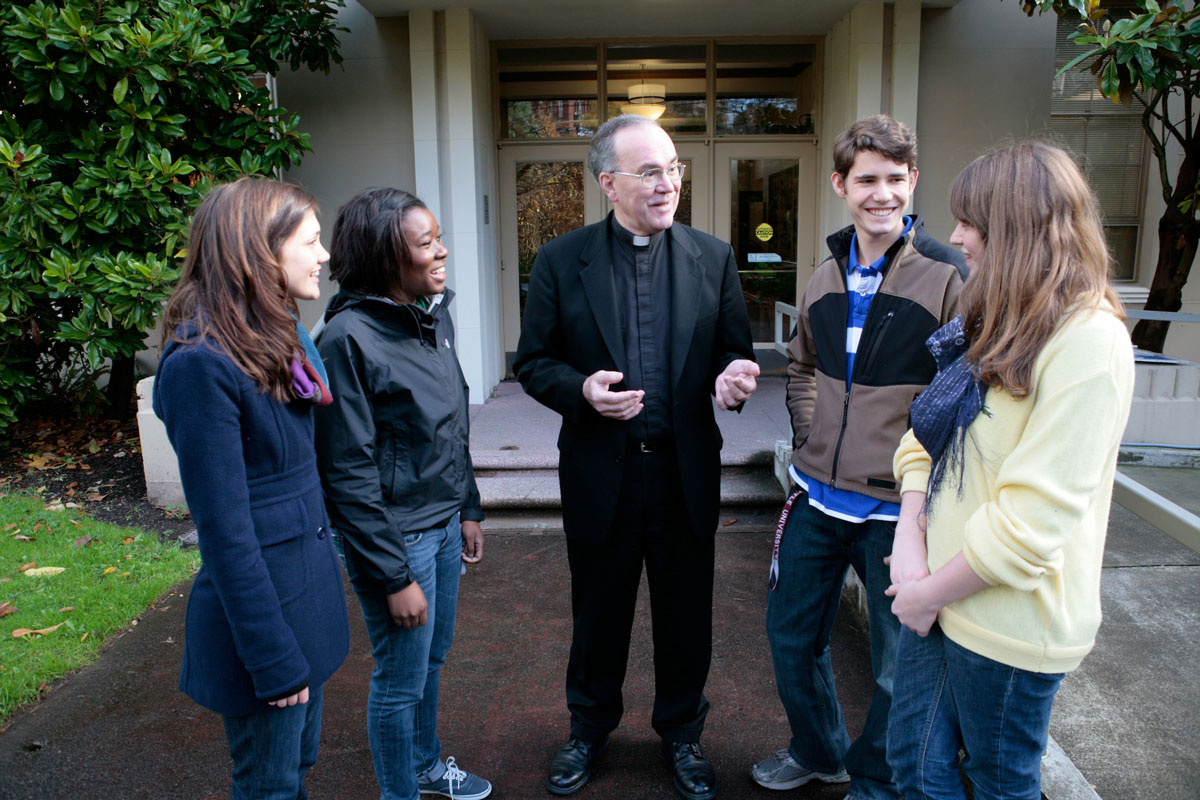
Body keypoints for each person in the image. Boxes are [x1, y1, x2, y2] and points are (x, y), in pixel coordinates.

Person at [513, 114, 758, 800]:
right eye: (649, 171)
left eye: (674, 167)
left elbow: (731, 356)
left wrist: (734, 381)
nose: (667, 183)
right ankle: (588, 730)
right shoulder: (563, 261)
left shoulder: (713, 257)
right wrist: (580, 390)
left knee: (686, 616)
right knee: (598, 614)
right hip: (602, 473)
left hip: (683, 474)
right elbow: (534, 362)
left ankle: (682, 734)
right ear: (608, 184)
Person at [885, 141, 1134, 800]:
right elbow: (924, 438)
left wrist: (927, 591)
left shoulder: (1089, 341)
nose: (957, 235)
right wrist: (909, 541)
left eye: (973, 221)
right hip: (938, 598)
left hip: (1006, 624)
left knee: (996, 783)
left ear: (1022, 227)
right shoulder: (996, 315)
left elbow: (1030, 526)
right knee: (913, 768)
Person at [752, 115, 966, 800]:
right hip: (818, 500)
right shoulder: (823, 276)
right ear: (841, 184)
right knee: (790, 639)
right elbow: (803, 367)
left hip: (897, 514)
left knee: (897, 669)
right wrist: (812, 439)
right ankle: (819, 752)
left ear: (913, 182)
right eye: (866, 179)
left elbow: (960, 393)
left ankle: (873, 781)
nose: (882, 194)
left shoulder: (950, 277)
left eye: (894, 179)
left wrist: (923, 489)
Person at [153, 177, 350, 799]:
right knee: (270, 786)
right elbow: (225, 534)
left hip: (304, 602)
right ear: (262, 251)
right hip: (267, 623)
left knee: (299, 766)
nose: (324, 256)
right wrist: (270, 655)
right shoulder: (200, 365)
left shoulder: (277, 338)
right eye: (312, 241)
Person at [313, 188, 491, 800]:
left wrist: (467, 507)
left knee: (430, 663)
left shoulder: (429, 317)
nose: (442, 251)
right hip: (398, 539)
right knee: (399, 681)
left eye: (438, 237)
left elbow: (451, 423)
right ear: (388, 257)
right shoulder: (347, 339)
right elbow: (348, 472)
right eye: (426, 243)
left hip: (442, 525)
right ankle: (401, 792)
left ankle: (424, 765)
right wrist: (393, 577)